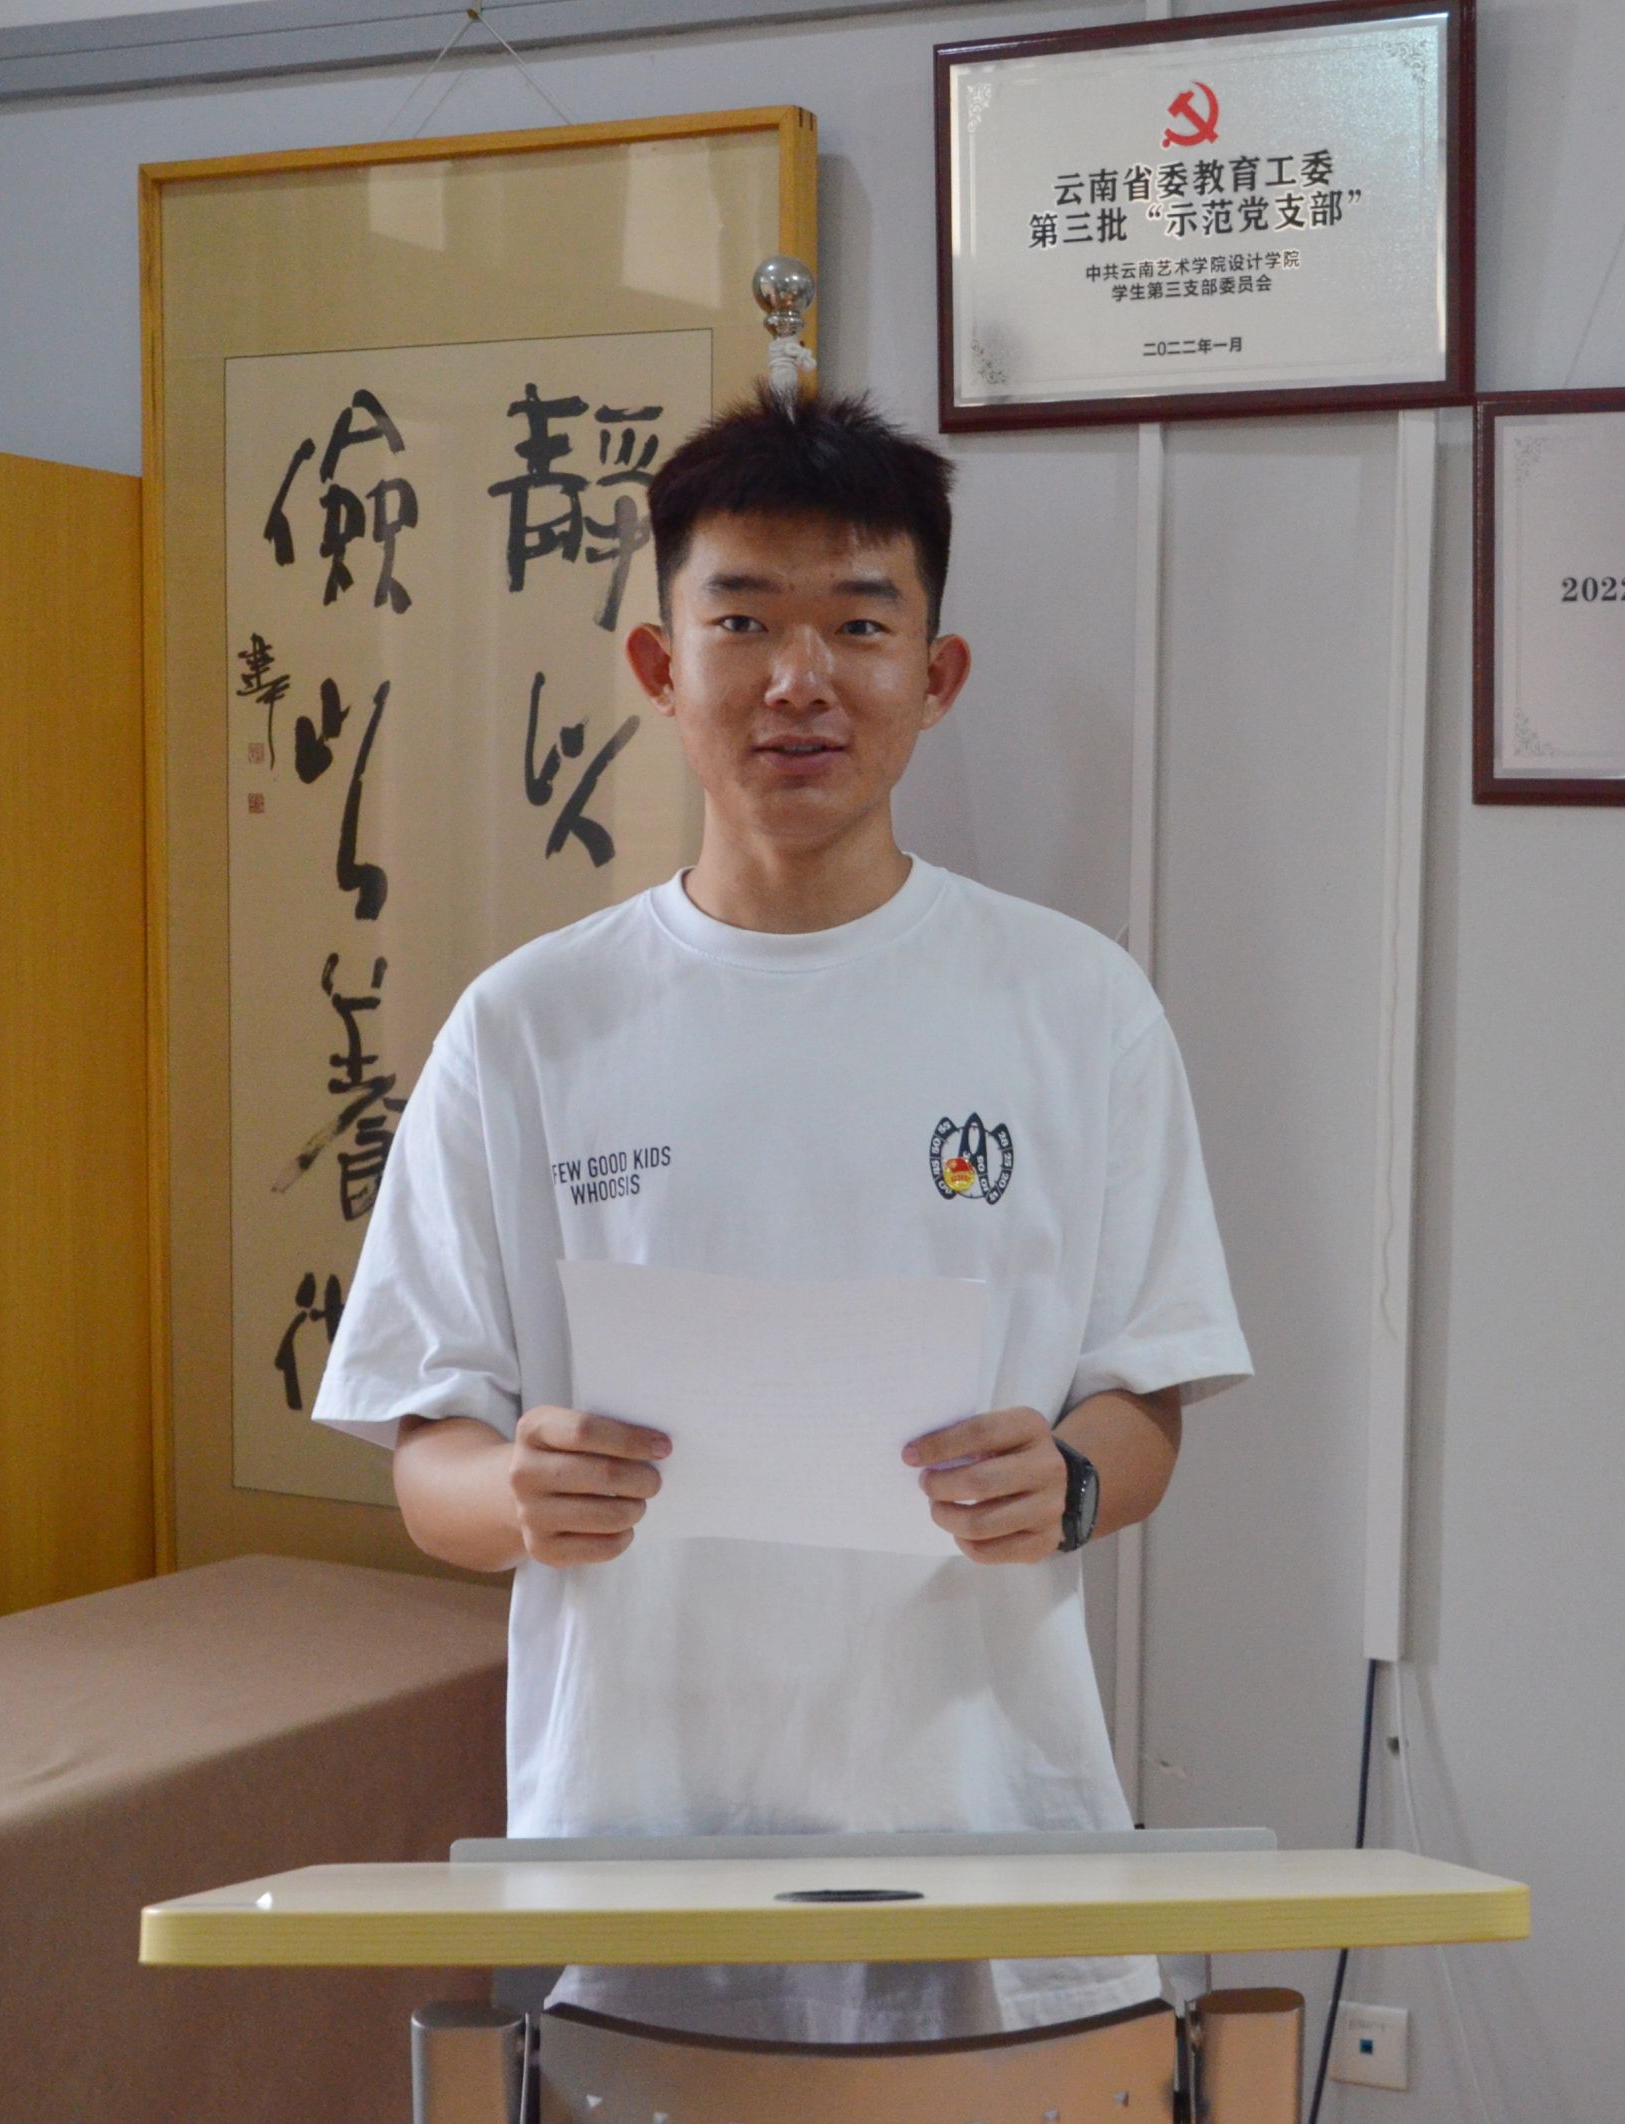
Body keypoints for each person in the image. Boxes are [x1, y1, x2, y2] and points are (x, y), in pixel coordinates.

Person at [311, 388, 1251, 2046]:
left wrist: (1070, 1481)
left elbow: (1147, 1406)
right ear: (659, 667)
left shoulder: (1074, 1005)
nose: (799, 679)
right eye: (741, 620)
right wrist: (521, 1491)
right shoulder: (531, 1027)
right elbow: (427, 1466)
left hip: (989, 1817)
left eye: (859, 625)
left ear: (937, 676)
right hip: (636, 1839)